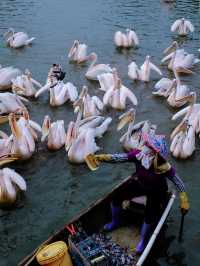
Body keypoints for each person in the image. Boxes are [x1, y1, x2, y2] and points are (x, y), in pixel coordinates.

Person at [86, 132, 190, 253]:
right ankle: (115, 221)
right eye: (147, 144)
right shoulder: (139, 155)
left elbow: (178, 182)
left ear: (156, 153)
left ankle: (143, 240)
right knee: (116, 196)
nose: (145, 146)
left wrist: (184, 199)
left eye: (149, 147)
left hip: (157, 190)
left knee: (150, 214)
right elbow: (120, 158)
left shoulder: (163, 165)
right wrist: (102, 157)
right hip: (141, 184)